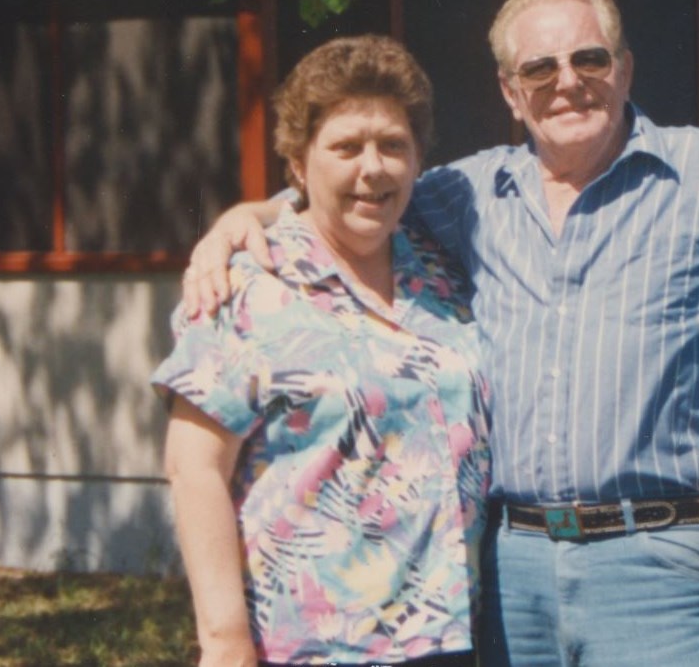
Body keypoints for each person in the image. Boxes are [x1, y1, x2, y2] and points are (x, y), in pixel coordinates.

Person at [184, 0, 699, 666]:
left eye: (590, 59)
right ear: (509, 90)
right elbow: (355, 188)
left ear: (624, 68)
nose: (568, 83)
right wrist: (244, 218)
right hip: (507, 572)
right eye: (539, 68)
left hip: (663, 561)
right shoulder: (468, 194)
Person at [153, 35, 488, 667]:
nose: (374, 167)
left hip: (450, 639)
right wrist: (224, 643)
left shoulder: (441, 278)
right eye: (345, 147)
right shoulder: (247, 288)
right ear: (299, 165)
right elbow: (194, 469)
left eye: (394, 145)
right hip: (310, 646)